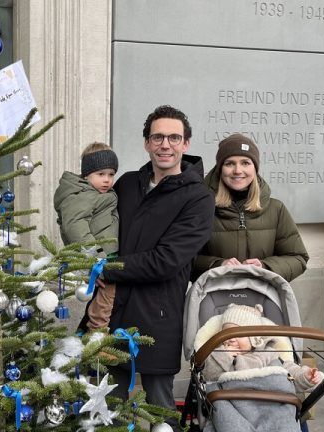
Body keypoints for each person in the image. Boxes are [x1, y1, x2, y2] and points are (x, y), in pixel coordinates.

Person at [93, 105, 215, 421]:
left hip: (157, 318)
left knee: (160, 409)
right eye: (157, 137)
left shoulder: (198, 198)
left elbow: (166, 261)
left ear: (186, 144)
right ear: (147, 142)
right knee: (108, 407)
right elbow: (97, 223)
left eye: (174, 137)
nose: (165, 145)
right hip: (113, 313)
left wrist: (106, 268)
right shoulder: (127, 184)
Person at [191, 133, 308, 282]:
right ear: (220, 169)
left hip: (263, 298)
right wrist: (218, 265)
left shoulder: (276, 209)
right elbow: (185, 260)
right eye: (230, 163)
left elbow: (298, 258)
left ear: (255, 168)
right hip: (215, 299)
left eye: (245, 163)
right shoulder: (201, 208)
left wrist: (265, 267)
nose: (238, 170)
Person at [54, 142, 119, 329]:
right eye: (101, 174)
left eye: (111, 174)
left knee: (107, 295)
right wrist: (95, 255)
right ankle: (96, 331)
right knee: (109, 292)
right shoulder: (82, 195)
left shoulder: (96, 192)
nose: (107, 180)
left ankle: (93, 331)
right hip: (97, 255)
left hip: (106, 254)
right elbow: (74, 226)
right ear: (86, 174)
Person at [203, 304, 324, 392]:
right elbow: (208, 376)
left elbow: (290, 372)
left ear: (254, 339)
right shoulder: (218, 353)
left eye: (238, 335)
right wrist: (224, 355)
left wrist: (306, 376)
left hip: (268, 401)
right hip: (232, 402)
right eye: (226, 333)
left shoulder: (267, 353)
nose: (231, 339)